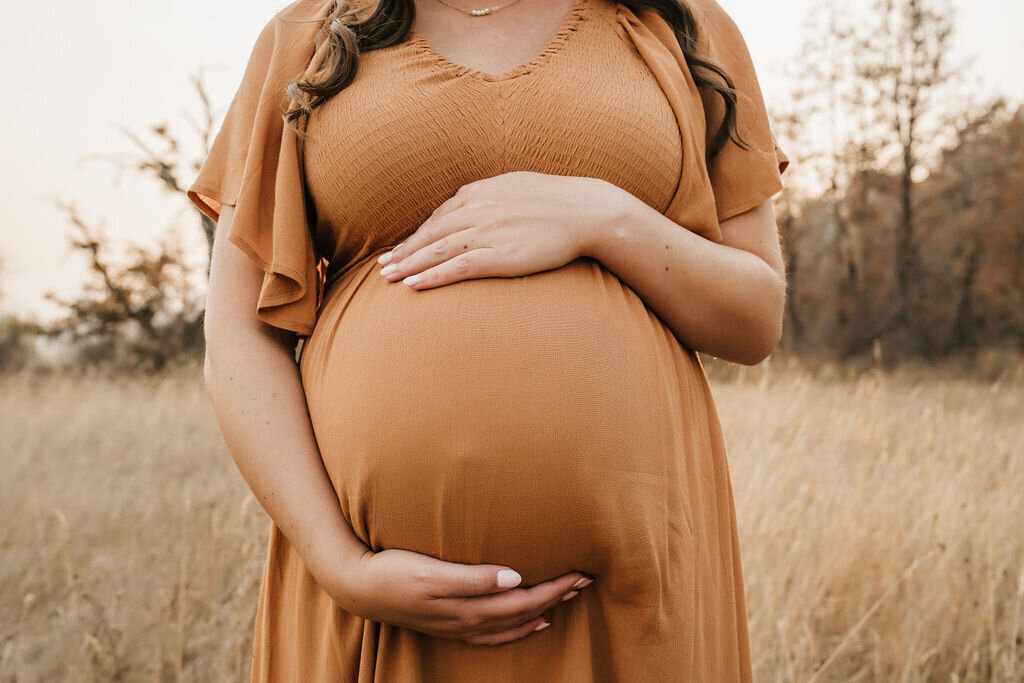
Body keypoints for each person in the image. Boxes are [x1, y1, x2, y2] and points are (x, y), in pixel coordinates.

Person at [188, 0, 789, 679]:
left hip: (631, 603)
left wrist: (604, 217)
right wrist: (342, 564)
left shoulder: (679, 25)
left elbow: (755, 317)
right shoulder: (307, 37)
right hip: (375, 609)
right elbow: (238, 335)